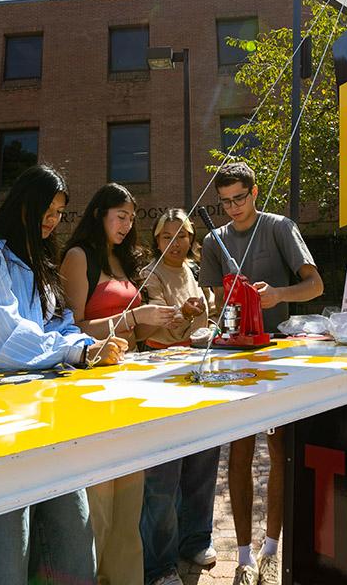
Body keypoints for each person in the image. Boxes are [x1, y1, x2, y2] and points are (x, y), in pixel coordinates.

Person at [0, 165, 126, 585]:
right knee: (1, 552)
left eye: (60, 212)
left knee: (72, 547)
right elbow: (1, 338)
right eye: (46, 207)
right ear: (22, 202)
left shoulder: (40, 263)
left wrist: (86, 345)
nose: (52, 219)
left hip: (45, 419)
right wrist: (77, 349)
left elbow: (59, 324)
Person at [199, 162, 323, 585]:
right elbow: (215, 302)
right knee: (238, 452)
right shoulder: (213, 241)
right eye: (225, 202)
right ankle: (245, 556)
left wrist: (279, 295)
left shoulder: (279, 227)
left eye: (239, 198)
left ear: (254, 192)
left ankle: (272, 550)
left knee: (280, 451)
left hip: (278, 354)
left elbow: (315, 285)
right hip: (235, 357)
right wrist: (206, 309)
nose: (233, 208)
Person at [60, 183, 176, 585]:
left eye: (131, 218)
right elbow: (71, 331)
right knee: (98, 505)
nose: (127, 225)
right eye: (120, 216)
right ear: (99, 214)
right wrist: (132, 317)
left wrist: (159, 318)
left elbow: (132, 323)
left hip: (130, 388)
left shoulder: (125, 260)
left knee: (129, 505)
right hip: (90, 394)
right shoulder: (78, 257)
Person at [139, 209, 220, 585]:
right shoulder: (149, 274)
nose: (176, 243)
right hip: (162, 374)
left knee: (204, 458)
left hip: (198, 370)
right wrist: (186, 315)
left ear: (191, 238)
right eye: (167, 236)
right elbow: (160, 326)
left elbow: (204, 322)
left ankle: (196, 540)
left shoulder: (195, 271)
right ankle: (159, 564)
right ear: (156, 240)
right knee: (164, 473)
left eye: (182, 235)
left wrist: (208, 311)